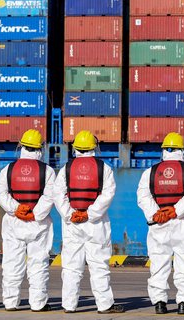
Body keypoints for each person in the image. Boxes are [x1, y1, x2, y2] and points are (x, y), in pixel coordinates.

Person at [53, 130, 124, 314]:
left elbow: (58, 195)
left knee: (70, 267)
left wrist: (70, 214)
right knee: (99, 265)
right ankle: (104, 305)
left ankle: (69, 305)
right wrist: (89, 214)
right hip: (96, 224)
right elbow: (108, 195)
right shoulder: (104, 168)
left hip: (72, 225)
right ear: (94, 147)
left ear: (75, 147)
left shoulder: (66, 169)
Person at [136, 132, 184, 315]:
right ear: (182, 150)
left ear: (164, 150)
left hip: (159, 224)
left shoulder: (149, 172)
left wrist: (156, 214)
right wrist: (176, 210)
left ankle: (159, 303)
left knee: (158, 262)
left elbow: (143, 196)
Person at [0, 129, 55, 312]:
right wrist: (35, 213)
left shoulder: (8, 169)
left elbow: (0, 193)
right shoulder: (48, 171)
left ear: (21, 146)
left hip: (14, 222)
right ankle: (37, 304)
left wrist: (16, 209)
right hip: (38, 223)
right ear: (40, 148)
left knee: (12, 264)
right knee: (38, 264)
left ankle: (10, 302)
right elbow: (50, 196)